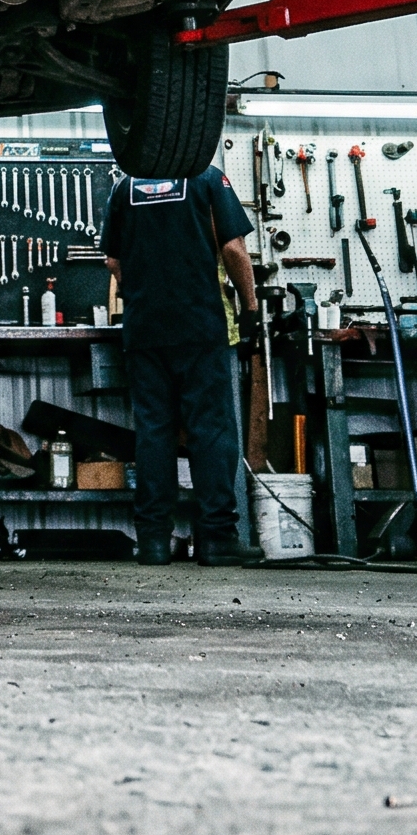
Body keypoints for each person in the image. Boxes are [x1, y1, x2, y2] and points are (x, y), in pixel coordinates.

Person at [102, 163, 263, 567]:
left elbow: (113, 263)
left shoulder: (126, 186)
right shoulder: (207, 178)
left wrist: (144, 294)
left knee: (154, 431)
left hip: (144, 331)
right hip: (198, 327)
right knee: (209, 430)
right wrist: (250, 308)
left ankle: (154, 541)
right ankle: (216, 539)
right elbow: (232, 248)